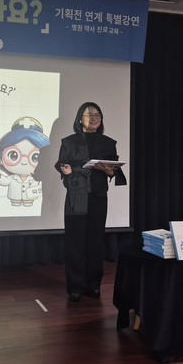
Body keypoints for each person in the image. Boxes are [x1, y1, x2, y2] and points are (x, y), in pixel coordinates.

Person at [55, 102, 126, 302]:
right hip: (76, 196)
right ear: (80, 118)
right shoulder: (69, 142)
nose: (94, 118)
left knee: (95, 241)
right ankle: (75, 287)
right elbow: (62, 164)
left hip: (98, 196)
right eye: (90, 115)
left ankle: (93, 285)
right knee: (75, 242)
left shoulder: (108, 143)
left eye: (98, 115)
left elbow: (113, 171)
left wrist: (109, 171)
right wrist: (66, 170)